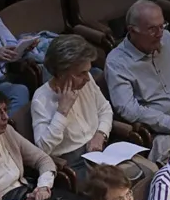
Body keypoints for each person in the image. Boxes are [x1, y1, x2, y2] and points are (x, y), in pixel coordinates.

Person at [106, 0, 170, 164]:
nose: (160, 33)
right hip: (162, 132)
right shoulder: (117, 62)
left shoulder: (167, 38)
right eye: (152, 29)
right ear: (132, 31)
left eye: (162, 26)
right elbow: (128, 109)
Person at [32, 34, 112, 181]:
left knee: (144, 170)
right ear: (62, 73)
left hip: (99, 150)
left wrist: (100, 134)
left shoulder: (87, 81)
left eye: (88, 71)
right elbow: (43, 149)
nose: (87, 77)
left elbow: (105, 109)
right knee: (115, 186)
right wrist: (62, 111)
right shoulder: (41, 98)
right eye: (81, 73)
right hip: (73, 165)